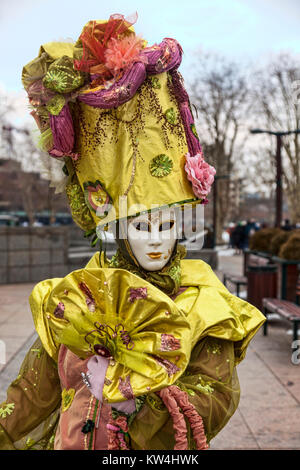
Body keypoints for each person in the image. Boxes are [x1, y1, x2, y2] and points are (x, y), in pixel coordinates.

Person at [0, 13, 265, 450]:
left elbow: (216, 395)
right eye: (142, 226)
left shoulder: (204, 302)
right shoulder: (76, 299)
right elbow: (32, 394)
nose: (158, 239)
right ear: (120, 231)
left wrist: (135, 410)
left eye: (167, 226)